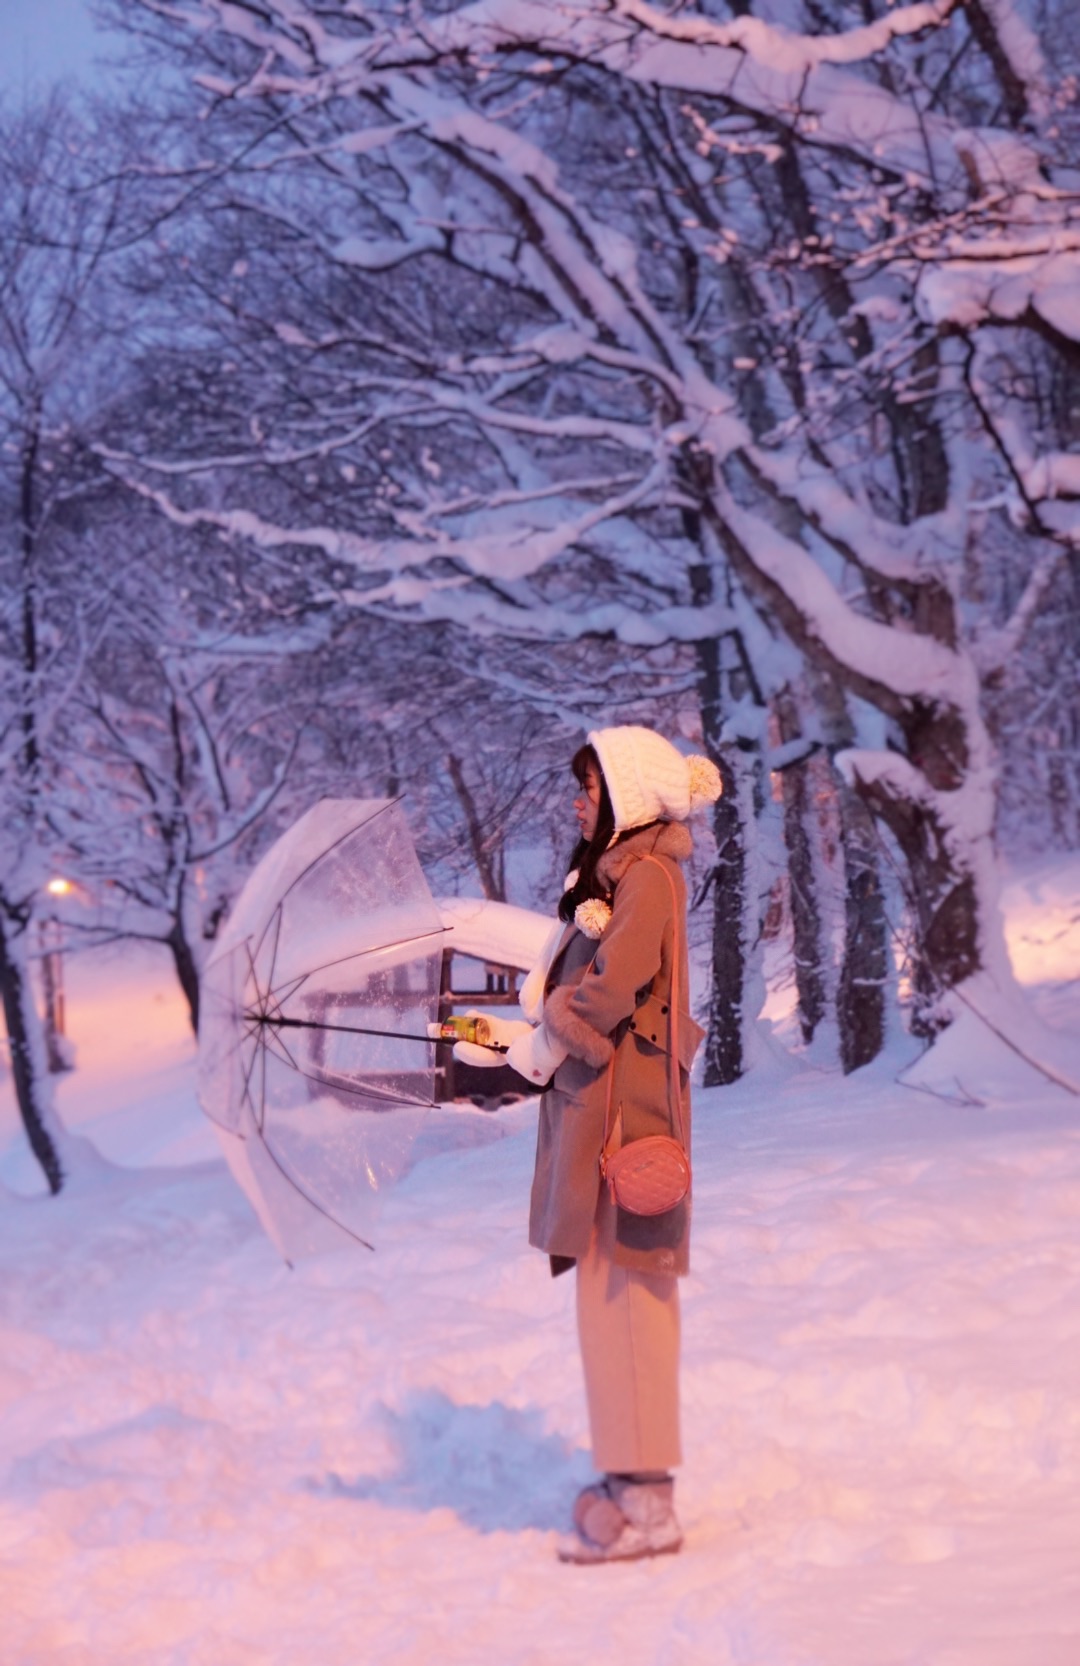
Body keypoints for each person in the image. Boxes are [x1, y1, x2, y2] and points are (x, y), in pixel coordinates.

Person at [456, 725, 721, 1563]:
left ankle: (647, 1503)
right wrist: (524, 1032)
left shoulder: (646, 877)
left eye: (593, 788)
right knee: (609, 1305)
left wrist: (558, 1031)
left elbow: (613, 987)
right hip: (601, 1111)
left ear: (629, 798)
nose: (580, 801)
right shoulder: (611, 881)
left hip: (625, 1125)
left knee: (629, 1302)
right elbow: (583, 983)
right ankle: (628, 1482)